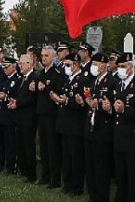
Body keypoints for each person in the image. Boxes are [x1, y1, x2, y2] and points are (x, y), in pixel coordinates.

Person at [112, 52, 135, 202]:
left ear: (131, 67)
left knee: (133, 174)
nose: (121, 69)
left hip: (133, 138)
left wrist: (124, 110)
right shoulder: (118, 84)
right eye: (119, 66)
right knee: (120, 174)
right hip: (119, 136)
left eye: (124, 66)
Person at [84, 53, 117, 202]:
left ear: (103, 65)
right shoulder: (94, 82)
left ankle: (102, 197)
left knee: (101, 167)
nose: (93, 67)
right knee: (90, 166)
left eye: (96, 64)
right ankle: (93, 195)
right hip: (91, 128)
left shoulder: (111, 82)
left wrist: (104, 107)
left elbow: (111, 107)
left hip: (103, 130)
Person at [54, 52, 88, 196]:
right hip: (65, 124)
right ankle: (67, 183)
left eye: (68, 65)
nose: (66, 68)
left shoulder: (82, 80)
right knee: (66, 156)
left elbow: (82, 103)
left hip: (75, 125)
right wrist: (59, 98)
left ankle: (76, 186)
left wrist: (66, 101)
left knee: (75, 157)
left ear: (75, 65)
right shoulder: (68, 79)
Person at [36, 46, 65, 188]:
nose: (43, 58)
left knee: (53, 148)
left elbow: (59, 92)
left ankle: (55, 179)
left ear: (53, 57)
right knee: (44, 147)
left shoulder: (57, 74)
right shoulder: (41, 73)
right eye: (42, 55)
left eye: (46, 55)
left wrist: (46, 89)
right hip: (41, 114)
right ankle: (45, 175)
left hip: (52, 115)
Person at [11, 53, 38, 182]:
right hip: (19, 118)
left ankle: (31, 174)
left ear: (30, 64)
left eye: (22, 63)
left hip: (28, 118)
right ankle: (23, 170)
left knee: (28, 147)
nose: (20, 65)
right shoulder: (22, 78)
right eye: (19, 63)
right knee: (20, 146)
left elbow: (31, 98)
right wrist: (13, 100)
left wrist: (18, 103)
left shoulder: (34, 77)